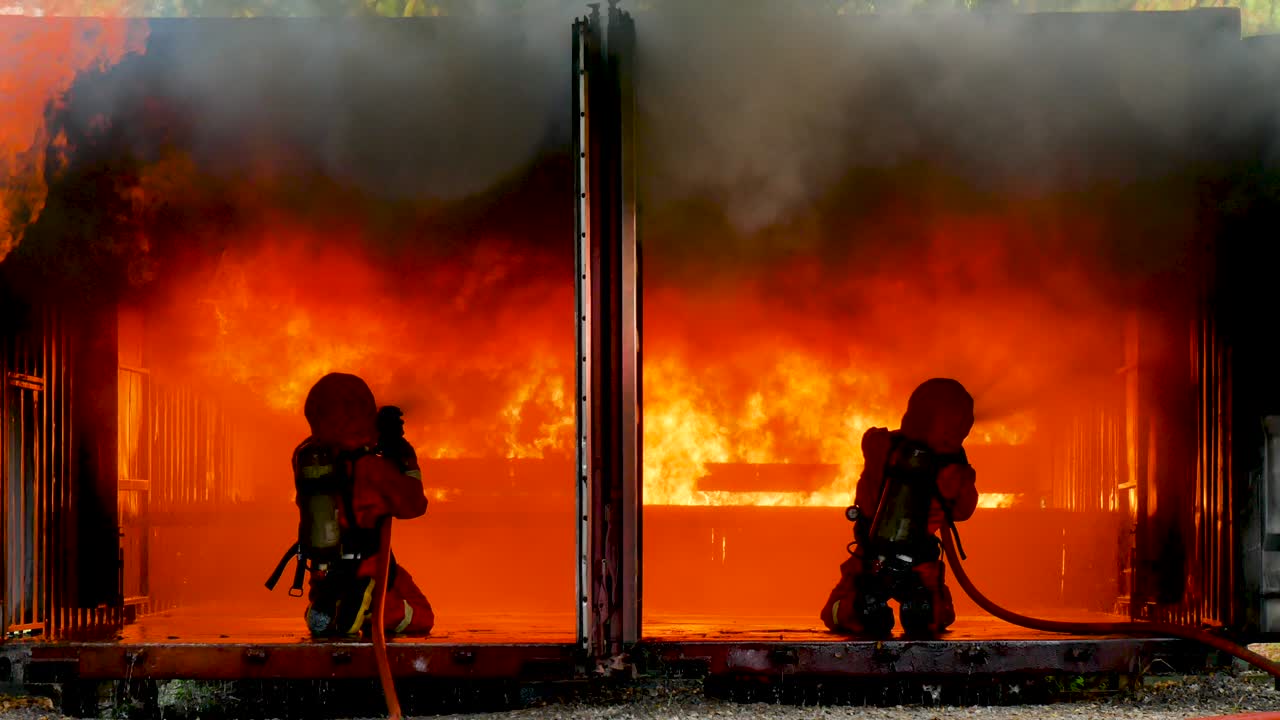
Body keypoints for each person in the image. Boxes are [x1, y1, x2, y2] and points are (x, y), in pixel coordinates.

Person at [819, 378, 979, 637]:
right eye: (955, 427)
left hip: (872, 558)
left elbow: (870, 447)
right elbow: (963, 511)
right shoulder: (952, 471)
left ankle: (864, 608)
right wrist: (963, 475)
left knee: (840, 610)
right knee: (936, 614)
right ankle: (912, 610)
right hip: (916, 562)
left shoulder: (881, 446)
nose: (960, 433)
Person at [285, 372, 435, 637]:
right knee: (420, 614)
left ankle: (324, 610)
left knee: (333, 597)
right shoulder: (373, 469)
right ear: (364, 413)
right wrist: (404, 457)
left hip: (323, 571)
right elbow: (413, 506)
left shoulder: (306, 459)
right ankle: (366, 610)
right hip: (367, 567)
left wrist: (375, 438)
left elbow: (339, 436)